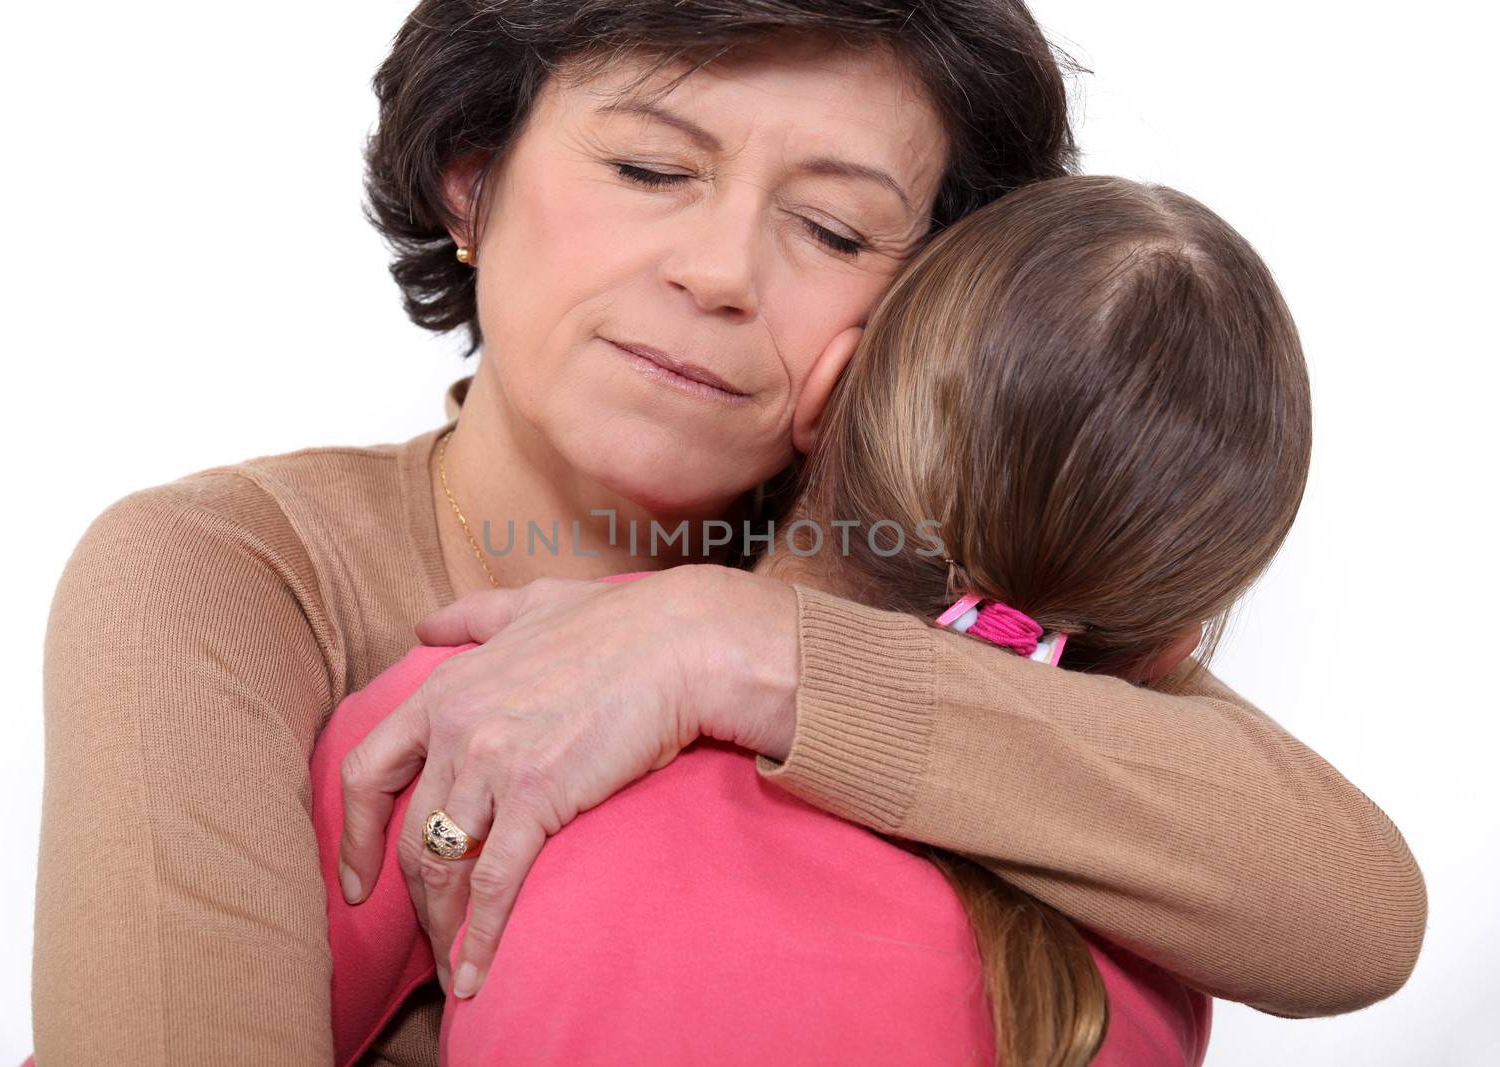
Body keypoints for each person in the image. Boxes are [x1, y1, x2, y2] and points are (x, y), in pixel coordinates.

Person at [30, 3, 1425, 1064]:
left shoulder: (942, 567)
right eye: (650, 167)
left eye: (828, 228)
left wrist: (744, 644)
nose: (716, 272)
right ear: (473, 180)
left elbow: (1352, 907)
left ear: (913, 316)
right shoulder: (228, 570)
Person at [311, 173, 1311, 1067]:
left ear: (827, 394)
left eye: (832, 229)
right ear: (1179, 642)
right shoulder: (1176, 926)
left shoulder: (492, 703)